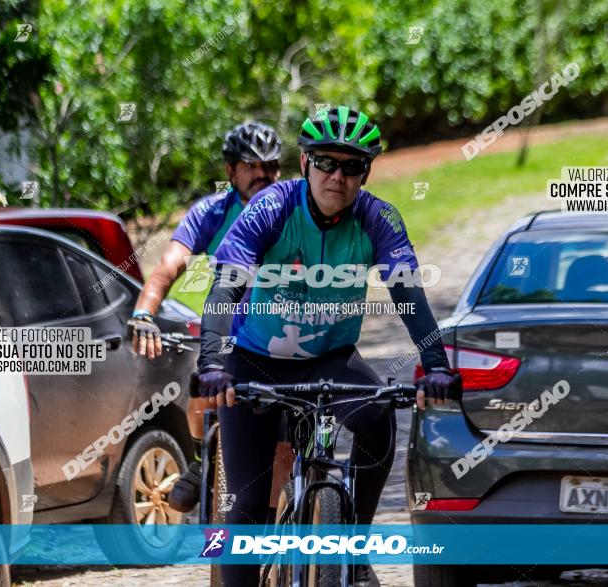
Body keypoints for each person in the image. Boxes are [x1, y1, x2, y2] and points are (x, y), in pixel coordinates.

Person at [195, 106, 457, 586]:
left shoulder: (379, 219)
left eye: (352, 166)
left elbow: (410, 297)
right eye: (325, 162)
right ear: (304, 164)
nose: (337, 175)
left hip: (330, 363)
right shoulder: (271, 208)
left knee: (378, 418)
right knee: (248, 506)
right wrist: (211, 361)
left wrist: (436, 365)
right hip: (255, 362)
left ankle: (352, 548)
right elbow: (226, 285)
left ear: (366, 172)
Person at [128, 121, 282, 512]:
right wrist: (145, 312)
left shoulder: (293, 208)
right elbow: (167, 268)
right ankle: (202, 456)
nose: (262, 174)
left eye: (271, 165)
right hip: (230, 332)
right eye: (251, 165)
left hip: (285, 335)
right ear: (231, 171)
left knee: (286, 452)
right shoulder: (211, 213)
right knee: (204, 378)